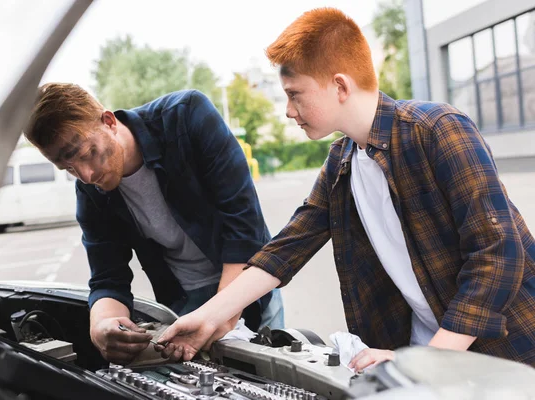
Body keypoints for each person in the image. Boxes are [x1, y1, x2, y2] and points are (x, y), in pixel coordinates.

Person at [156, 7, 535, 370]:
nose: (288, 111)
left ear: (339, 85)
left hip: (505, 357)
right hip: (423, 356)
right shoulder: (342, 161)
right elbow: (286, 250)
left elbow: (498, 254)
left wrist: (430, 363)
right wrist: (206, 317)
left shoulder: (437, 128)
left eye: (294, 94)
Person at [23, 84, 284, 365]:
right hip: (182, 302)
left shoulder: (187, 117)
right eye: (69, 168)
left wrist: (220, 315)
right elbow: (107, 277)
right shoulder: (89, 191)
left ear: (109, 122)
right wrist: (102, 326)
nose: (86, 175)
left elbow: (244, 229)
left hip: (245, 282)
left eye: (87, 153)